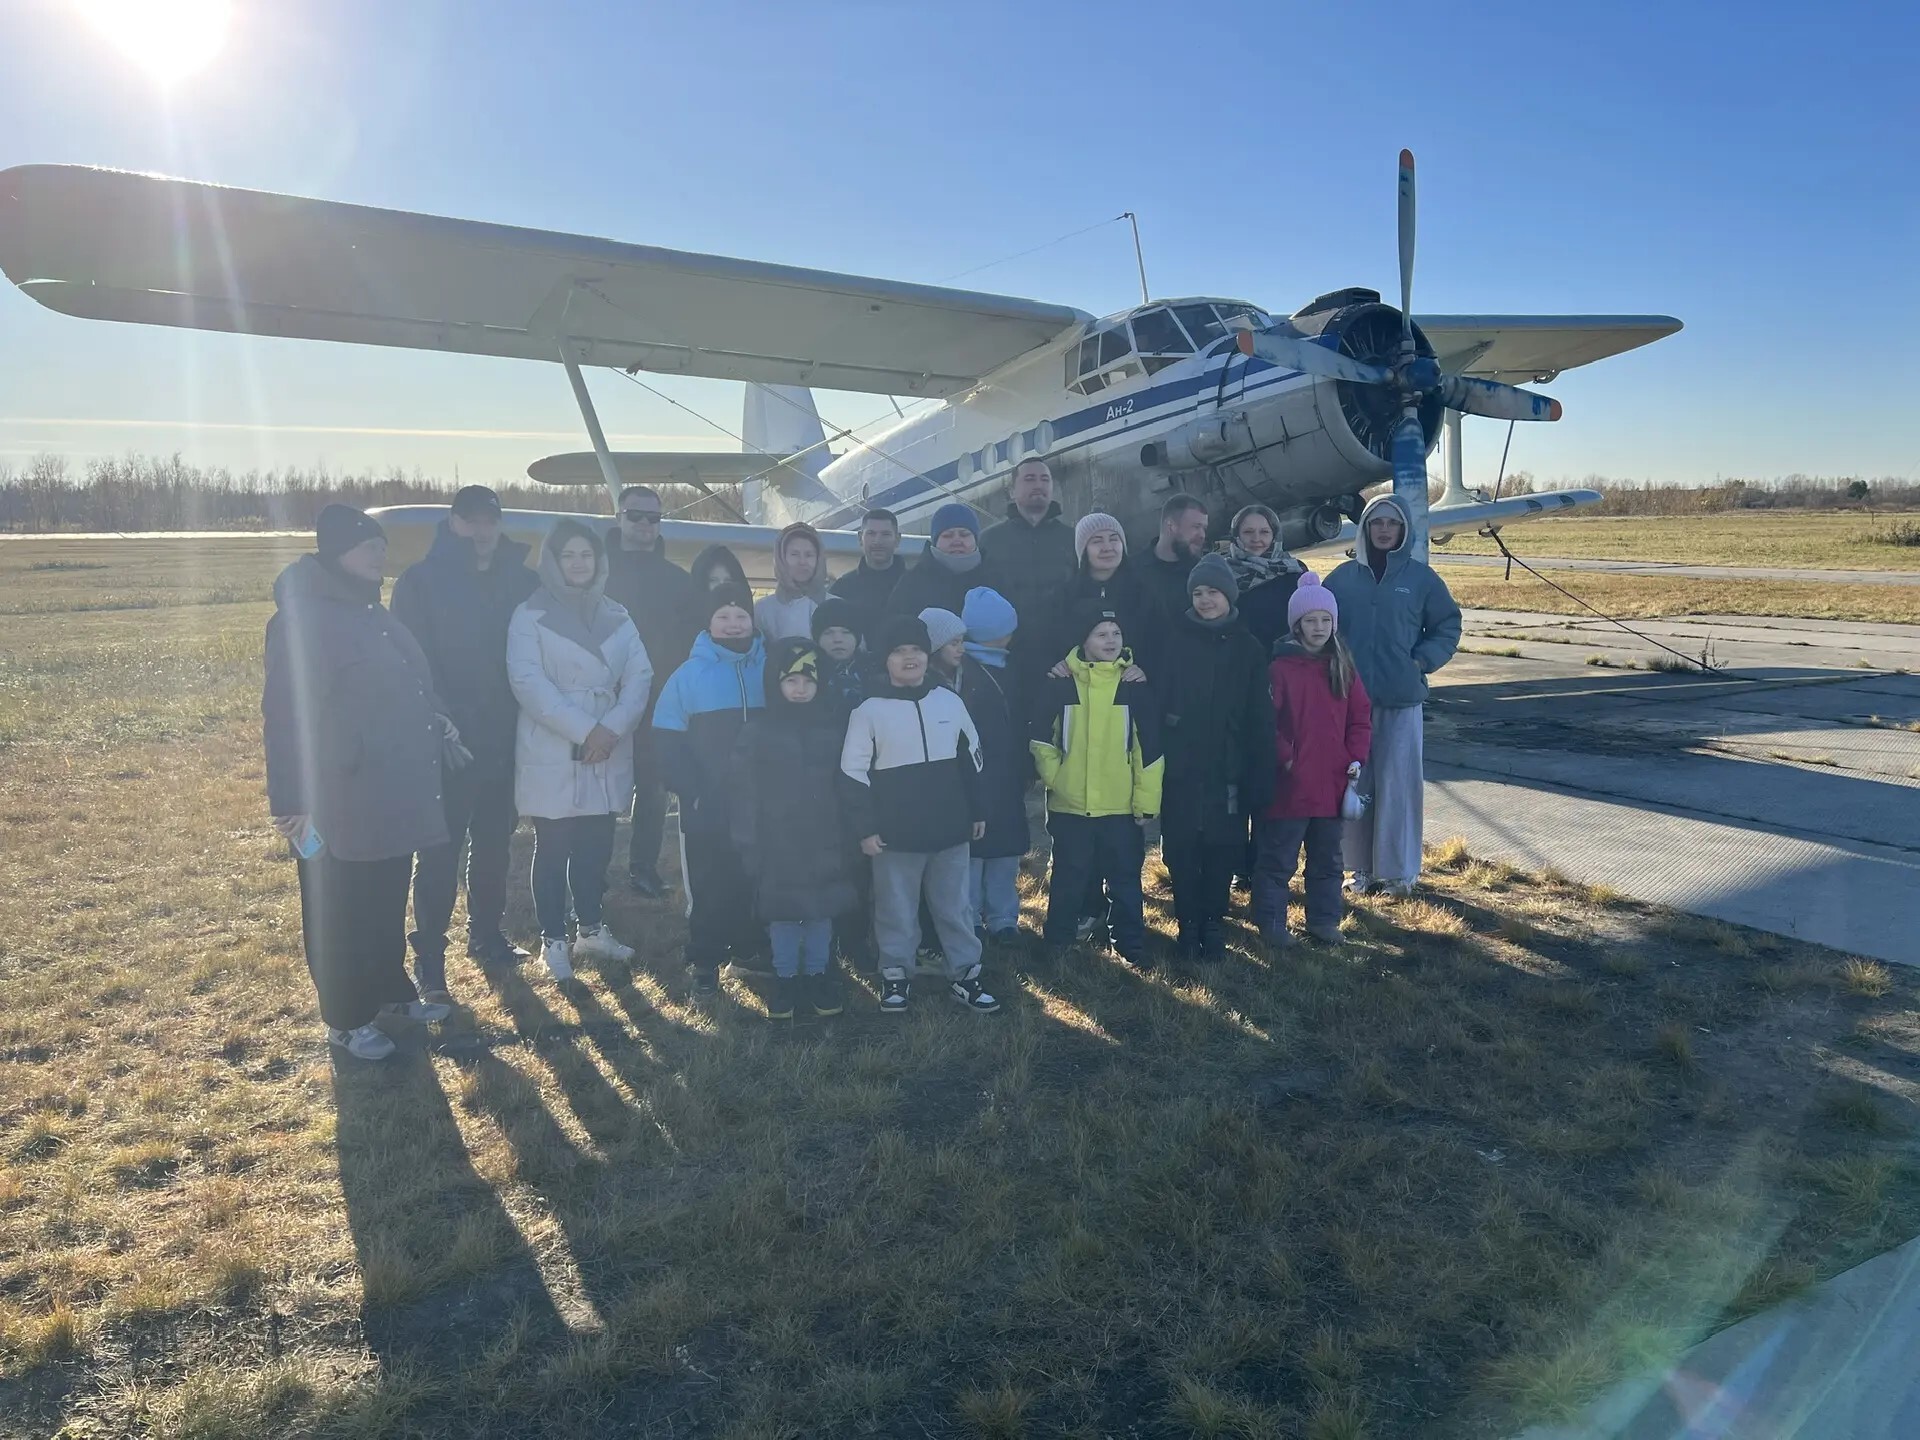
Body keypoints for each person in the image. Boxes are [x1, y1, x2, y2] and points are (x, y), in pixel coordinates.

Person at [264, 505, 452, 1062]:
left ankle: (388, 993)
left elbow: (410, 683)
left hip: (387, 790)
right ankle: (345, 1020)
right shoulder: (300, 621)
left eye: (381, 546)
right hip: (331, 798)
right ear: (336, 552)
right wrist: (292, 802)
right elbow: (284, 716)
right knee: (337, 906)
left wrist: (436, 719)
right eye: (368, 546)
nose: (379, 555)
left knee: (383, 897)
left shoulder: (371, 611)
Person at [388, 484, 539, 998]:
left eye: (489, 520)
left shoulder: (522, 580)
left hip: (505, 734)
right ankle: (429, 957)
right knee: (439, 850)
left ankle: (487, 935)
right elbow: (409, 659)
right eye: (470, 520)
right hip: (448, 738)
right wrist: (439, 719)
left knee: (495, 840)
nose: (481, 530)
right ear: (452, 522)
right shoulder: (420, 582)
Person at [507, 521, 653, 981]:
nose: (578, 563)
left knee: (596, 842)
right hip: (554, 741)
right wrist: (586, 730)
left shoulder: (618, 615)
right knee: (553, 844)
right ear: (552, 561)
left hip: (607, 743)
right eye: (568, 555)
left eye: (585, 555)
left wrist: (610, 729)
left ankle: (590, 928)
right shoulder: (529, 615)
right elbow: (527, 681)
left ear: (598, 561)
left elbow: (640, 676)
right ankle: (553, 938)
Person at [840, 614, 998, 1015]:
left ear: (928, 655)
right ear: (885, 659)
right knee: (896, 910)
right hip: (894, 836)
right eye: (899, 651)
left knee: (955, 908)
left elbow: (973, 759)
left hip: (950, 830)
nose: (909, 657)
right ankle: (895, 975)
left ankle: (965, 974)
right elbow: (852, 773)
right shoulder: (868, 711)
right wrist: (865, 828)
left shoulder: (949, 701)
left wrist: (978, 809)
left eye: (916, 650)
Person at [1324, 495, 1461, 895]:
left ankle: (1399, 872)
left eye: (1392, 523)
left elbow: (1447, 625)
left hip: (1400, 700)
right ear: (1365, 528)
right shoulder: (1342, 579)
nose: (1384, 530)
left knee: (1398, 786)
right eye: (1376, 523)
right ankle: (1359, 869)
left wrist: (1421, 661)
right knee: (1355, 784)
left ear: (1403, 530)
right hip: (1350, 702)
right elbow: (1321, 627)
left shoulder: (1421, 580)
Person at [1156, 555, 1277, 962]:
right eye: (1198, 593)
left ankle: (1213, 922)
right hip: (1181, 768)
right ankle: (1187, 924)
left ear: (1229, 596)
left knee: (1222, 850)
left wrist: (1259, 774)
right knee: (1181, 849)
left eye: (1213, 592)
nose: (1205, 600)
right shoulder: (1173, 641)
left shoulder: (1247, 648)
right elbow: (1158, 702)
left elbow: (1260, 717)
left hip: (1228, 770)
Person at [729, 639, 856, 1021]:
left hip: (826, 838)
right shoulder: (758, 731)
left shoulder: (833, 728)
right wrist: (747, 841)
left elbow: (847, 783)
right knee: (783, 911)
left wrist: (852, 832)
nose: (800, 689)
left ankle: (817, 974)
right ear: (776, 683)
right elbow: (743, 790)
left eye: (808, 681)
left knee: (821, 909)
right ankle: (785, 977)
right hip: (777, 840)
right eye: (791, 681)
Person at [1031, 604, 1164, 968]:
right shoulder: (1061, 683)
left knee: (1124, 880)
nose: (1110, 640)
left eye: (1116, 633)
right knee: (1068, 878)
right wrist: (1058, 779)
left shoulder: (1133, 685)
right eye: (1101, 633)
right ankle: (1057, 942)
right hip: (1069, 806)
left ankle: (1129, 944)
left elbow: (1148, 750)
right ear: (1084, 640)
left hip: (1120, 807)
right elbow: (1041, 737)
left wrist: (1145, 802)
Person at [653, 584, 768, 998]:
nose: (733, 624)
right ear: (709, 622)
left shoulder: (769, 668)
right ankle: (705, 959)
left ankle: (749, 948)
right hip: (708, 801)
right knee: (710, 881)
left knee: (753, 875)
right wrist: (690, 789)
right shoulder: (689, 675)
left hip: (760, 801)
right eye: (723, 616)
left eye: (741, 616)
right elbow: (666, 739)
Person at [1257, 574, 1372, 945]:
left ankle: (1324, 921)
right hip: (1289, 788)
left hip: (1332, 784)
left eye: (1325, 620)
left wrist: (1355, 757)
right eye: (1311, 620)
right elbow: (1265, 722)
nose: (1319, 627)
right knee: (1278, 860)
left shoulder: (1343, 667)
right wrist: (1286, 757)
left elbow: (1360, 718)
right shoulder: (1280, 669)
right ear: (1297, 625)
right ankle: (1272, 924)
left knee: (1328, 861)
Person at [602, 485, 695, 899]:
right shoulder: (597, 575)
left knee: (654, 789)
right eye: (635, 516)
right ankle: (593, 869)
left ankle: (643, 868)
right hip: (603, 699)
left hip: (658, 699)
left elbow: (691, 640)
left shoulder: (677, 581)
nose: (644, 524)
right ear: (618, 518)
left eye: (653, 518)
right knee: (602, 789)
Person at [958, 587, 1030, 942]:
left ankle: (1002, 918)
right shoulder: (964, 671)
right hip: (978, 774)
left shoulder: (1010, 667)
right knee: (975, 850)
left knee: (1004, 850)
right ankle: (972, 917)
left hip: (1007, 773)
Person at [978, 458, 1076, 679]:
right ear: (1012, 491)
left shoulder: (1071, 539)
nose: (1038, 485)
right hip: (1007, 662)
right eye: (1030, 479)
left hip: (1063, 663)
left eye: (1045, 479)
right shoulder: (989, 541)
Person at [1051, 512, 1161, 680]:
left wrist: (1145, 670)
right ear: (1083, 549)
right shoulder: (1065, 596)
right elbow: (1051, 643)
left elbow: (1159, 645)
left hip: (1128, 688)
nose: (1107, 547)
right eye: (1097, 541)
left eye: (1114, 539)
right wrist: (1058, 664)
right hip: (1078, 688)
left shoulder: (1144, 592)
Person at [1223, 503, 1306, 653]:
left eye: (1264, 532)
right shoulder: (1222, 574)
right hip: (1239, 661)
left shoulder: (1295, 574)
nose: (1256, 539)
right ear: (1236, 536)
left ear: (1275, 535)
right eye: (1248, 532)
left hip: (1285, 660)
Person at [886, 502, 987, 618]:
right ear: (935, 541)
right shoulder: (912, 583)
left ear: (975, 539)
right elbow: (893, 624)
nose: (957, 541)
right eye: (948, 536)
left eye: (964, 535)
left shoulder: (995, 575)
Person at [1133, 493, 1211, 633]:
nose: (1202, 535)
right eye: (1196, 526)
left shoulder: (1204, 573)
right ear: (1171, 526)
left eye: (1204, 528)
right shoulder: (1131, 571)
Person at [827, 508, 905, 641]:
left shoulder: (915, 585)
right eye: (871, 533)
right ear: (860, 538)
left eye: (885, 534)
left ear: (897, 539)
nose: (878, 541)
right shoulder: (842, 589)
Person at [755, 521, 828, 643]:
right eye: (794, 554)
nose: (802, 562)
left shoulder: (836, 606)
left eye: (809, 555)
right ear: (781, 558)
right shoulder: (763, 609)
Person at [809, 596, 872, 718]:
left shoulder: (875, 670)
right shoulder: (808, 672)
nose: (838, 639)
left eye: (846, 632)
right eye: (828, 633)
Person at [683, 543, 751, 638]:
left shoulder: (746, 622)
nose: (721, 585)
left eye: (728, 580)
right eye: (713, 580)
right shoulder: (685, 626)